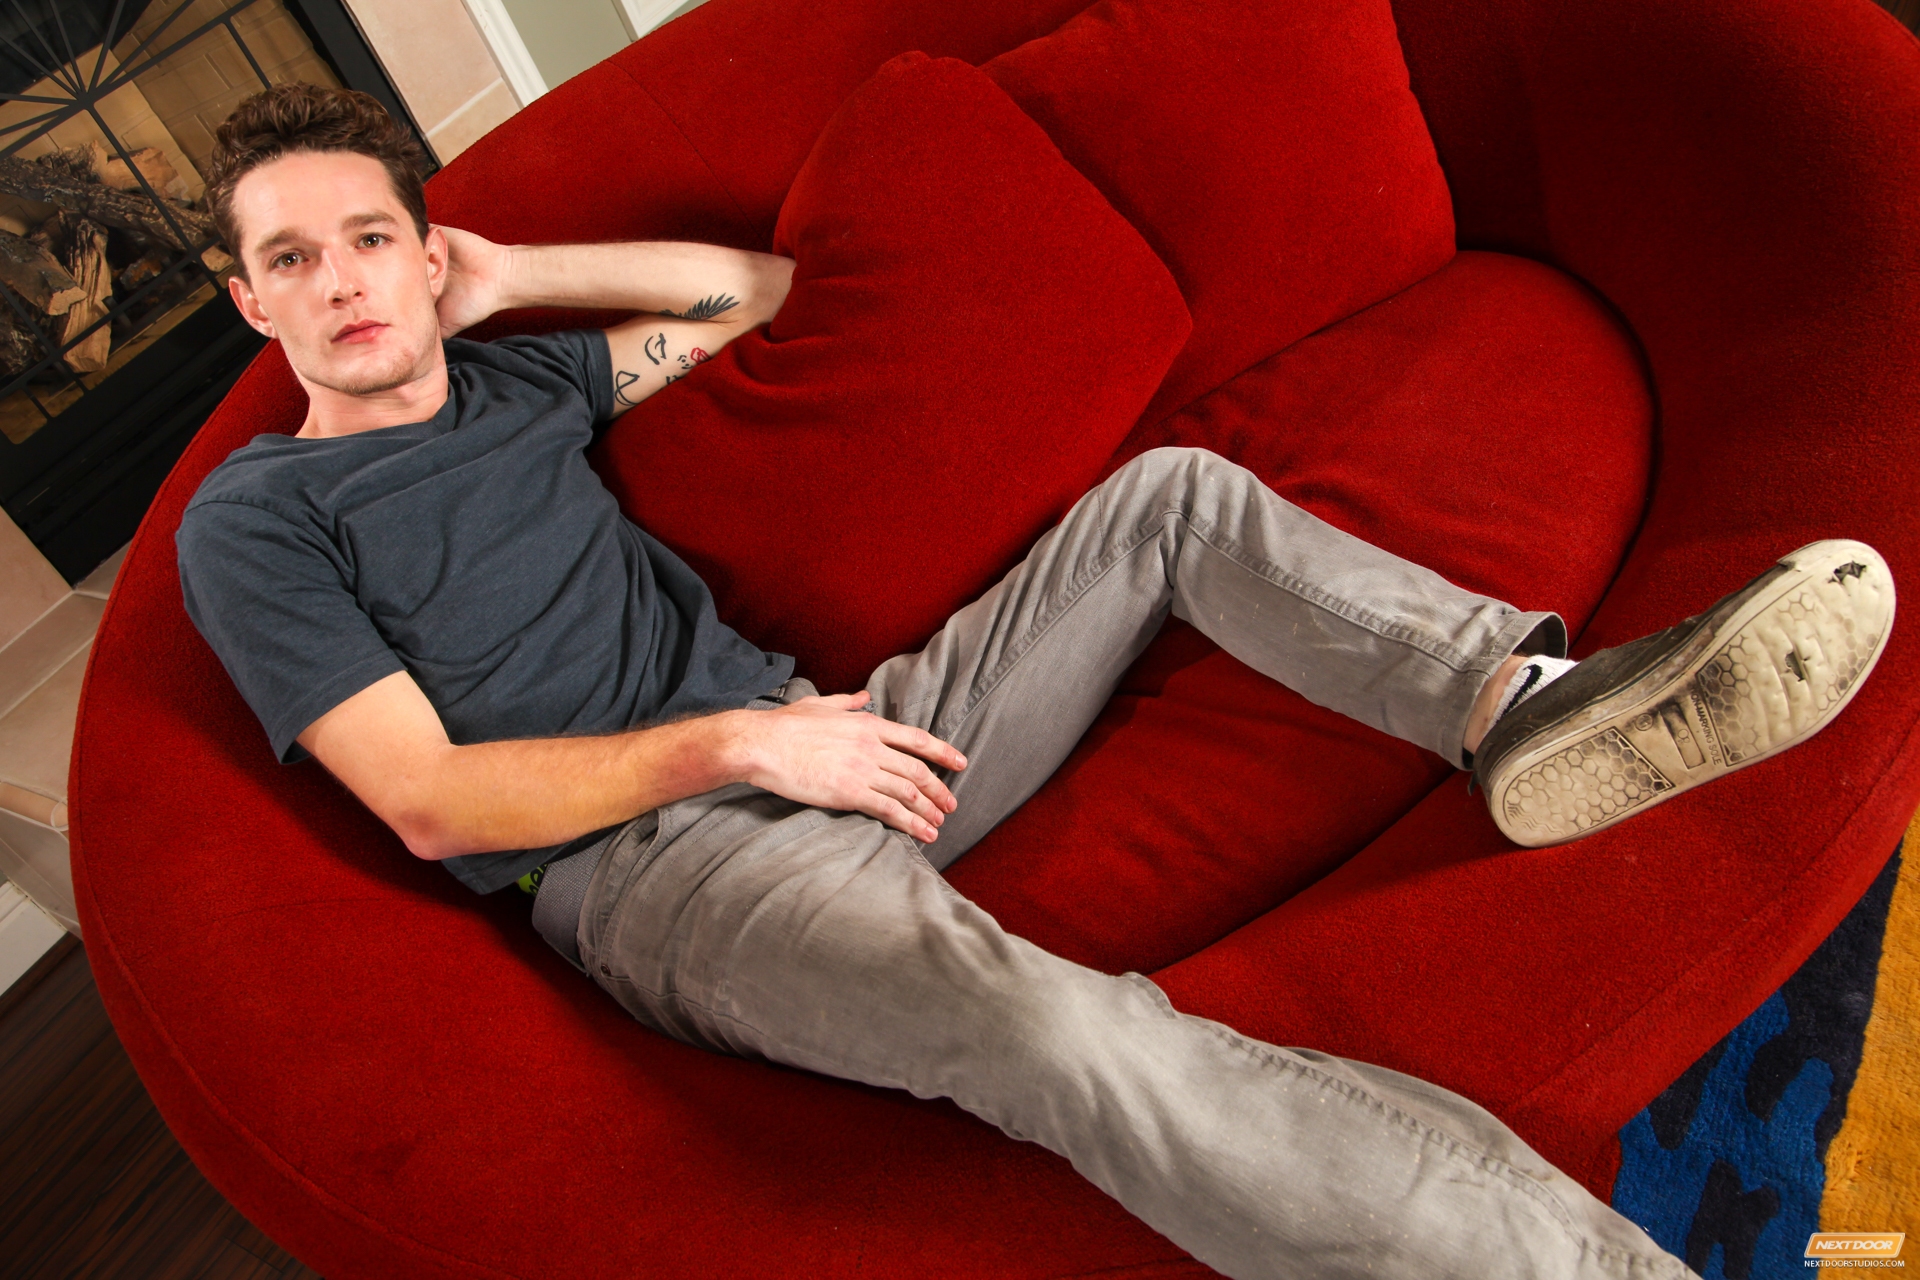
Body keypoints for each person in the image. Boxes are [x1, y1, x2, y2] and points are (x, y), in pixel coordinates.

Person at [176, 84, 1892, 1280]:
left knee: (1170, 501)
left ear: (423, 251)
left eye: (370, 239)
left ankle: (1516, 704)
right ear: (249, 302)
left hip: (851, 736)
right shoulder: (258, 521)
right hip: (663, 866)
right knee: (1062, 1033)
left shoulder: (517, 380)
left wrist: (519, 277)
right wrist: (736, 747)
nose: (342, 284)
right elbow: (429, 801)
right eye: (294, 261)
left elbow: (762, 297)